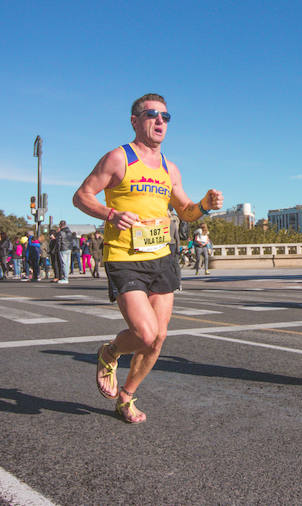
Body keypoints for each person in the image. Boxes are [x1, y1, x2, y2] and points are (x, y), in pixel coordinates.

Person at [73, 92, 223, 423]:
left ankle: (126, 397)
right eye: (152, 114)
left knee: (159, 337)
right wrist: (110, 213)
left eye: (165, 117)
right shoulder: (118, 158)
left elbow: (185, 211)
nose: (160, 121)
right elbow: (81, 196)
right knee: (144, 334)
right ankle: (109, 352)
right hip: (125, 256)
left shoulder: (170, 168)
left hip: (161, 257)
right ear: (135, 121)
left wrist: (204, 206)